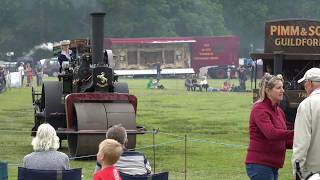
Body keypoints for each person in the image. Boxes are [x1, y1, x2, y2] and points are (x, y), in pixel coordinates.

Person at [245, 73, 294, 180]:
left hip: (272, 165)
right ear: (268, 91)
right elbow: (271, 134)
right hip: (260, 165)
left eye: (283, 87)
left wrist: (304, 143)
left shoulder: (279, 111)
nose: (283, 91)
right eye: (279, 88)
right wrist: (298, 131)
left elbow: (284, 141)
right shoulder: (259, 109)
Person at [292, 68, 320, 178]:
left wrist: (297, 172)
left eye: (305, 83)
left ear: (310, 83)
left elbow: (301, 143)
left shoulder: (307, 105)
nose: (304, 86)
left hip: (313, 172)